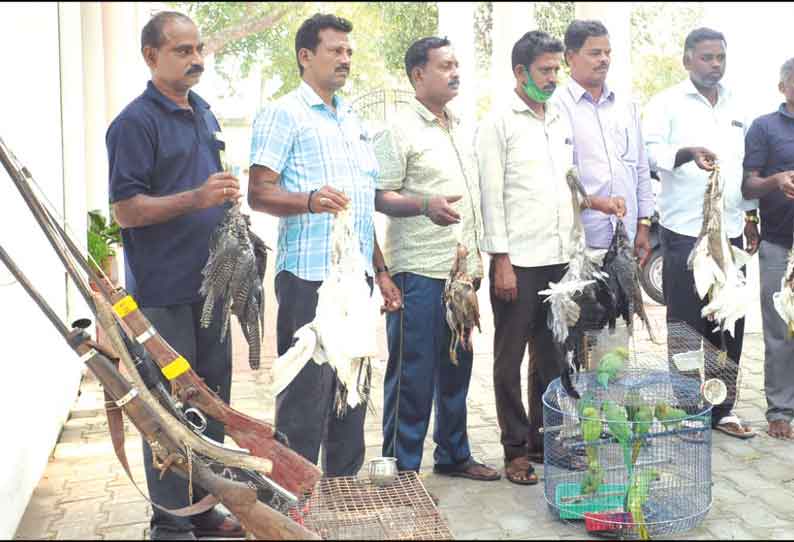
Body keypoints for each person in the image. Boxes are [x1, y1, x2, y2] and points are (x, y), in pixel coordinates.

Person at [106, 11, 244, 541]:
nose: (196, 60)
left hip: (210, 291)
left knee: (209, 403)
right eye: (183, 51)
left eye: (199, 49)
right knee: (168, 410)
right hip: (162, 296)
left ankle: (203, 510)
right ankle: (169, 525)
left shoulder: (203, 113)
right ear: (151, 56)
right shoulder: (134, 124)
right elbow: (125, 210)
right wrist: (197, 198)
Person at [247, 13, 400, 477]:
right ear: (305, 56)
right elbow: (258, 193)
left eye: (349, 51)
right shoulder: (283, 114)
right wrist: (309, 201)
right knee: (305, 397)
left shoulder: (352, 119)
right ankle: (293, 500)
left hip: (356, 281)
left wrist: (383, 271)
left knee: (349, 393)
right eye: (335, 50)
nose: (345, 59)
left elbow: (360, 208)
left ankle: (341, 494)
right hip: (309, 280)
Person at [476, 30, 623, 485]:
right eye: (545, 70)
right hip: (517, 263)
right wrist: (500, 259)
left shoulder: (556, 118)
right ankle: (515, 450)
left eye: (556, 69)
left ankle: (547, 441)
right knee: (509, 359)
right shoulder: (497, 123)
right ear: (520, 72)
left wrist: (594, 203)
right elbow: (491, 198)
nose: (553, 77)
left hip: (560, 261)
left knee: (554, 357)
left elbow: (567, 183)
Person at [372, 36, 499, 481]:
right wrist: (425, 205)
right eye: (445, 65)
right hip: (417, 272)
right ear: (417, 75)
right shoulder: (397, 128)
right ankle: (402, 471)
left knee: (456, 367)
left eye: (456, 63)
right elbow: (379, 195)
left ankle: (453, 454)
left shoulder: (461, 126)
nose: (455, 72)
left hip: (460, 274)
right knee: (412, 375)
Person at [643, 28, 758, 439]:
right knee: (688, 324)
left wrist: (750, 217)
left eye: (720, 57)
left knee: (729, 322)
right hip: (684, 233)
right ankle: (689, 410)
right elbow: (650, 154)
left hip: (728, 235)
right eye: (707, 57)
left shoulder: (737, 103)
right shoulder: (666, 104)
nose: (715, 65)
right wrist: (686, 153)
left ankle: (723, 408)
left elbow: (746, 167)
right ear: (687, 60)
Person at [553, 19, 651, 262]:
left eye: (607, 53)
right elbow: (556, 179)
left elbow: (640, 167)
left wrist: (644, 225)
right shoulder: (555, 108)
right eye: (595, 53)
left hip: (625, 238)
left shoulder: (626, 106)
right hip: (578, 244)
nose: (604, 59)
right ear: (570, 58)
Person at [741, 57, 794, 440]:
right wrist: (776, 180)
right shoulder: (764, 127)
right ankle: (780, 411)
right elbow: (748, 185)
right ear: (783, 87)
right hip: (778, 242)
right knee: (779, 331)